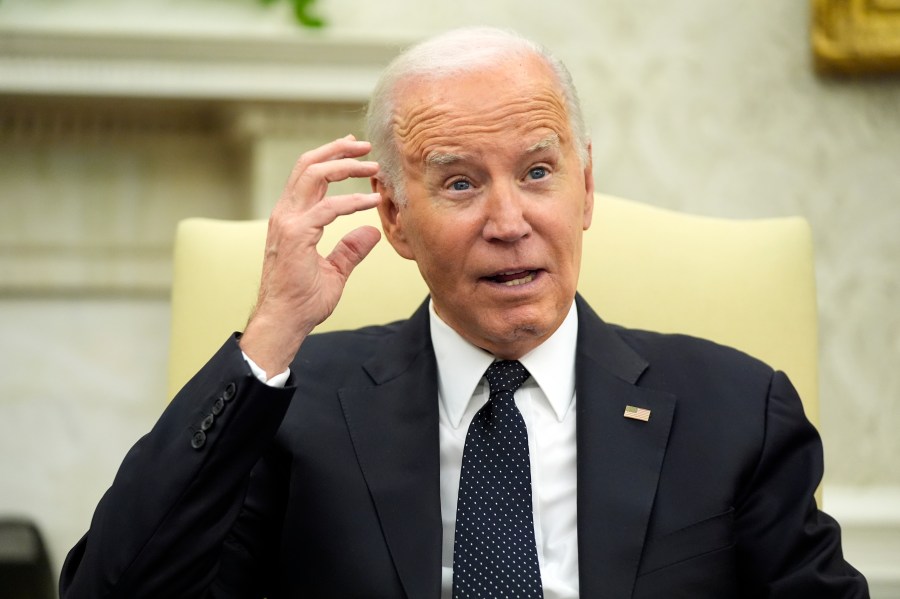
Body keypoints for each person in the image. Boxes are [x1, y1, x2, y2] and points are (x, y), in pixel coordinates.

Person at [60, 27, 868, 598]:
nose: (509, 220)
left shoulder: (735, 409)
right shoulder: (298, 407)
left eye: (538, 171)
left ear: (585, 188)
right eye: (459, 183)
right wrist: (271, 331)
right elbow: (116, 588)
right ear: (394, 216)